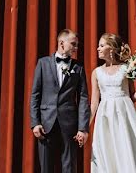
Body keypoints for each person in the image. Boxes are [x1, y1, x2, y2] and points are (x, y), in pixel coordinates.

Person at [89, 33, 136, 172]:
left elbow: (132, 96)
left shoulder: (126, 69)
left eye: (102, 45)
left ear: (112, 49)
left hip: (125, 116)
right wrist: (85, 125)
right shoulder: (96, 72)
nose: (98, 49)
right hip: (105, 117)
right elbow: (94, 102)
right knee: (108, 150)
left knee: (125, 148)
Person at [31, 29, 91, 172]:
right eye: (73, 44)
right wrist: (35, 123)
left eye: (77, 45)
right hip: (46, 123)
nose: (76, 48)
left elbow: (83, 98)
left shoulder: (78, 67)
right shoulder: (43, 63)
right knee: (46, 167)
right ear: (61, 43)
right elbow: (35, 95)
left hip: (69, 124)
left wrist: (83, 128)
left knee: (69, 166)